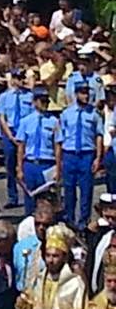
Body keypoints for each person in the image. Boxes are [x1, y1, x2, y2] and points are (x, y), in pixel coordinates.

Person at [55, 80, 104, 230]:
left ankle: (83, 222)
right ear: (76, 94)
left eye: (87, 92)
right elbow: (60, 138)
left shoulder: (94, 114)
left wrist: (98, 157)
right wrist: (60, 161)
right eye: (82, 92)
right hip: (70, 154)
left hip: (86, 154)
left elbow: (99, 136)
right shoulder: (66, 114)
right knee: (69, 190)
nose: (86, 96)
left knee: (86, 190)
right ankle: (69, 220)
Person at [17, 87, 60, 214]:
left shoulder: (54, 121)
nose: (45, 104)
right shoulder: (25, 121)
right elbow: (21, 146)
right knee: (30, 198)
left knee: (47, 198)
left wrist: (58, 167)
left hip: (47, 163)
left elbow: (57, 146)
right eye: (42, 101)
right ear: (35, 102)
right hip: (30, 163)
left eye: (47, 101)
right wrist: (19, 168)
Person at [0, 70, 33, 208]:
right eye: (16, 78)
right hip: (10, 132)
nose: (19, 81)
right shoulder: (4, 96)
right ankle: (12, 196)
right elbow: (1, 117)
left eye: (21, 78)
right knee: (10, 165)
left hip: (25, 133)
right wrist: (10, 135)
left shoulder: (30, 96)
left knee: (25, 164)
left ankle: (29, 193)